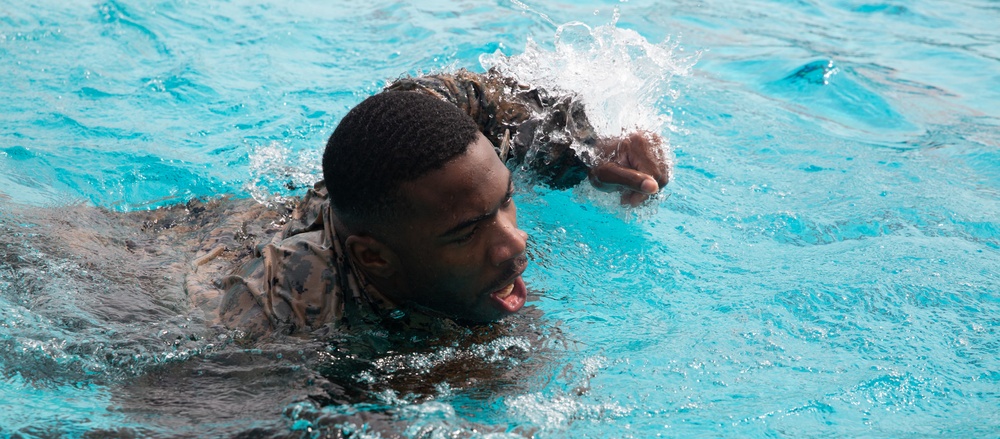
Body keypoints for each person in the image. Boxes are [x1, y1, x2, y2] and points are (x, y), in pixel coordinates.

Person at [215, 68, 669, 336]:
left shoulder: (415, 167)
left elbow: (455, 100)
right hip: (186, 254)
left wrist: (583, 151)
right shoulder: (277, 316)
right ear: (374, 258)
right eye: (468, 230)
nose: (515, 244)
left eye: (506, 200)